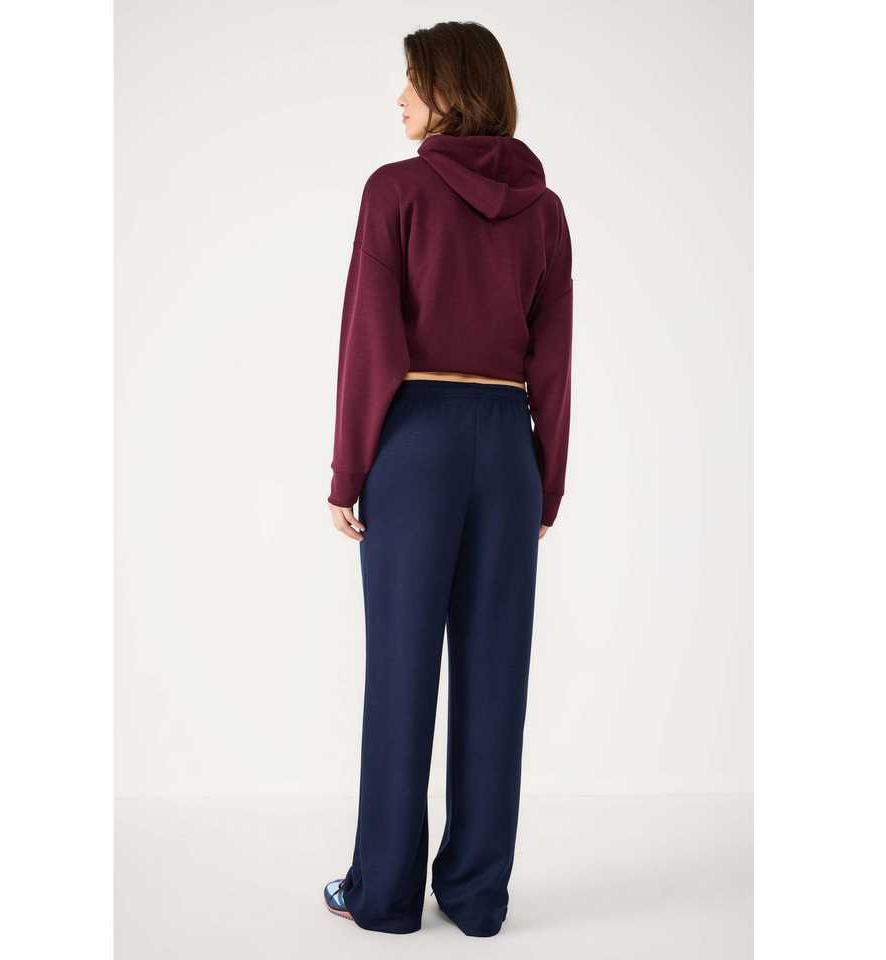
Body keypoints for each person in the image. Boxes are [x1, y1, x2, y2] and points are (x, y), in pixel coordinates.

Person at [323, 20, 573, 938]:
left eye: (413, 81)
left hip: (416, 442)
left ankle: (385, 893)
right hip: (507, 445)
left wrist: (348, 470)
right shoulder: (544, 210)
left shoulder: (395, 191)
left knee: (401, 667)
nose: (399, 96)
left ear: (450, 91)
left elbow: (370, 340)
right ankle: (475, 895)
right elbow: (554, 361)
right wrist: (547, 481)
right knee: (497, 672)